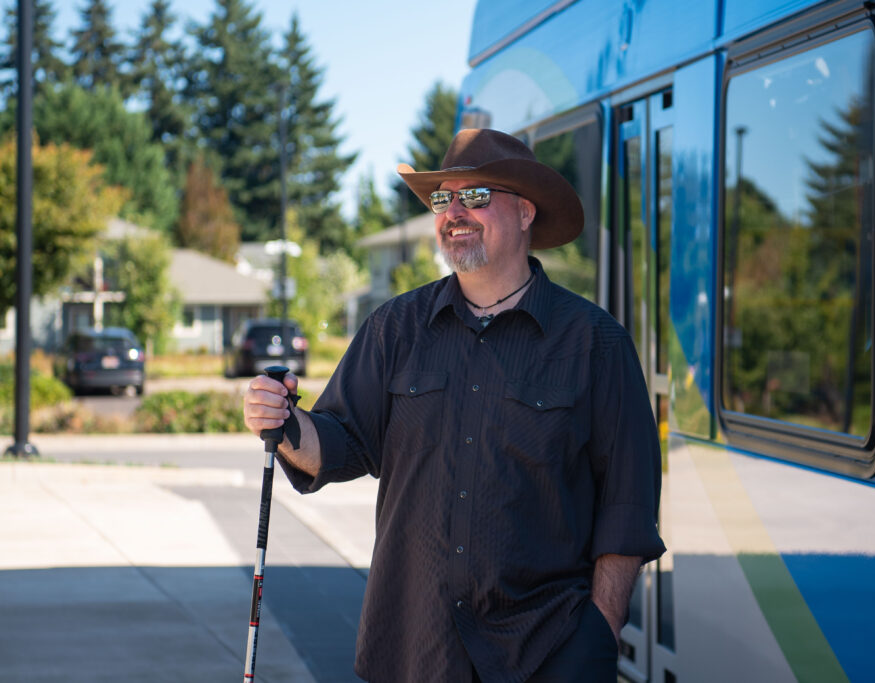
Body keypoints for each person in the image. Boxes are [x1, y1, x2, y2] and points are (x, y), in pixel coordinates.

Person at [243, 128, 665, 683]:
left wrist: (600, 631)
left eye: (478, 196)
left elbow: (627, 506)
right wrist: (284, 420)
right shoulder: (394, 328)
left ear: (525, 213)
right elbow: (340, 443)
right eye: (444, 199)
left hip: (547, 652)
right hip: (416, 649)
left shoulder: (596, 344)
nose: (454, 212)